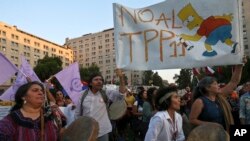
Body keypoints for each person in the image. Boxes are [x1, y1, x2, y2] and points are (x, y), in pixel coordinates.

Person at [189, 64, 244, 131]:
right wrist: (211, 125)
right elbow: (192, 120)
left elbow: (234, 82)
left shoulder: (219, 96)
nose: (218, 85)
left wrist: (240, 65)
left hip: (224, 133)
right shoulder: (200, 101)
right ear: (207, 88)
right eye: (215, 84)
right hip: (209, 135)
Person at [75, 69, 126, 141]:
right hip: (86, 132)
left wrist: (121, 77)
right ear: (90, 83)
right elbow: (77, 113)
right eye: (96, 79)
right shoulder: (82, 95)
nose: (99, 81)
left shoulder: (106, 93)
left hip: (102, 131)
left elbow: (121, 94)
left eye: (101, 80)